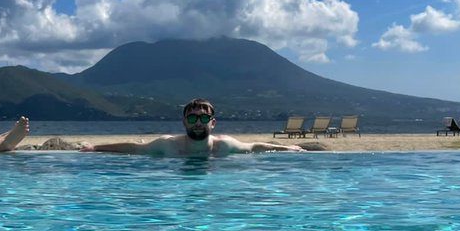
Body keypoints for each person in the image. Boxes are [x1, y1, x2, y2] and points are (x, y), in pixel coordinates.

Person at [79, 99, 304, 156]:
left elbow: (255, 147)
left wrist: (290, 149)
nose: (198, 123)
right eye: (193, 118)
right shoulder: (168, 146)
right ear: (184, 122)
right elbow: (135, 148)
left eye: (204, 119)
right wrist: (95, 148)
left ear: (213, 123)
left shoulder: (223, 146)